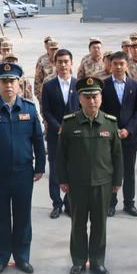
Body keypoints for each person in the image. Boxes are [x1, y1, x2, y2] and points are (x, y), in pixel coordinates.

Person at [0, 62, 45, 274]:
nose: (8, 86)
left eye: (12, 81)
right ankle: (1, 257)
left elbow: (38, 140)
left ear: (19, 84)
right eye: (4, 81)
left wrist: (40, 166)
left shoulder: (29, 109)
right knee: (0, 217)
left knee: (23, 217)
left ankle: (22, 257)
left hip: (23, 173)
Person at [57, 77, 123, 274]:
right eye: (87, 97)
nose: (92, 101)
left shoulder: (110, 123)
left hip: (103, 183)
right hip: (77, 183)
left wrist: (117, 181)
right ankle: (78, 260)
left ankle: (97, 261)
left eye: (95, 96)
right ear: (80, 99)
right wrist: (63, 180)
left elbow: (117, 155)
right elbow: (61, 155)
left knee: (99, 225)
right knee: (78, 224)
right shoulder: (70, 123)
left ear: (101, 98)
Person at [101, 51, 137, 217]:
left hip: (129, 136)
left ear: (127, 65)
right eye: (115, 64)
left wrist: (129, 129)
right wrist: (112, 130)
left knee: (129, 171)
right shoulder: (104, 85)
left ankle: (129, 203)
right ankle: (111, 203)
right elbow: (101, 110)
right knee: (111, 170)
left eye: (121, 64)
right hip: (110, 136)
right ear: (110, 65)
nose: (118, 67)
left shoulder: (135, 85)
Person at [41, 48, 79, 219]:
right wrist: (58, 127)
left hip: (74, 135)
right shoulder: (48, 86)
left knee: (72, 169)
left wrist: (71, 128)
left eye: (66, 61)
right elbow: (46, 111)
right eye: (60, 62)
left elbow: (81, 109)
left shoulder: (78, 85)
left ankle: (69, 202)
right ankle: (56, 203)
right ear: (54, 64)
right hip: (55, 135)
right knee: (55, 169)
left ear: (71, 63)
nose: (63, 65)